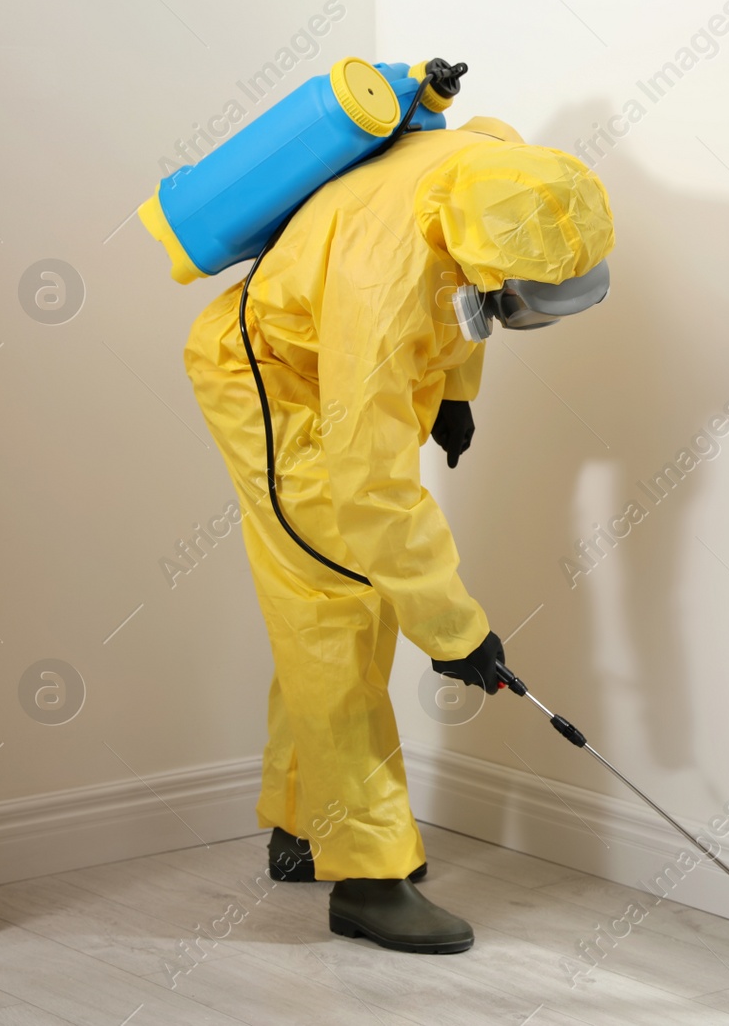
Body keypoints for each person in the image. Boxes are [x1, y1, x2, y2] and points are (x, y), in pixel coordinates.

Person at [183, 115, 614, 954]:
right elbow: (372, 485)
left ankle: (305, 824)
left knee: (329, 614)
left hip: (333, 360)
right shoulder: (379, 292)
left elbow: (462, 292)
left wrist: (456, 387)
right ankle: (370, 877)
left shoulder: (502, 165)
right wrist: (455, 631)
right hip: (275, 378)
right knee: (337, 611)